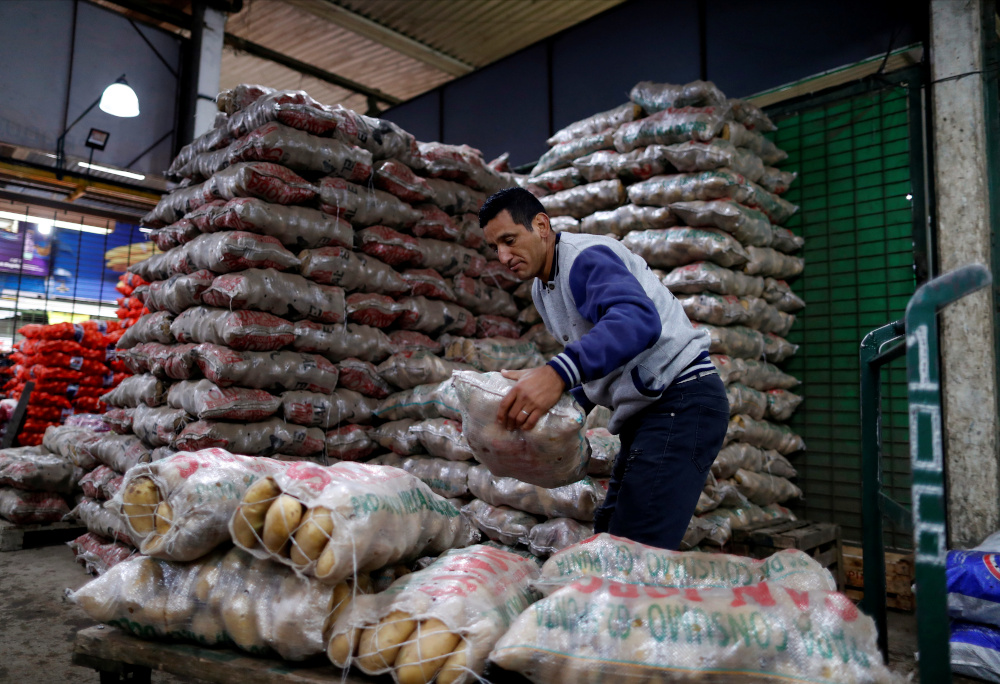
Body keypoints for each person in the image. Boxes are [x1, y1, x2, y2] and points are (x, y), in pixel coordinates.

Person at [479, 187, 729, 550]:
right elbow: (604, 358)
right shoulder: (542, 288)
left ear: (541, 225)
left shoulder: (584, 259)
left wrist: (557, 373)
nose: (503, 256)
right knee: (610, 534)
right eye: (494, 248)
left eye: (509, 240)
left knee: (633, 552)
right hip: (649, 415)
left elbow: (637, 322)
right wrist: (562, 405)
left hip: (681, 402)